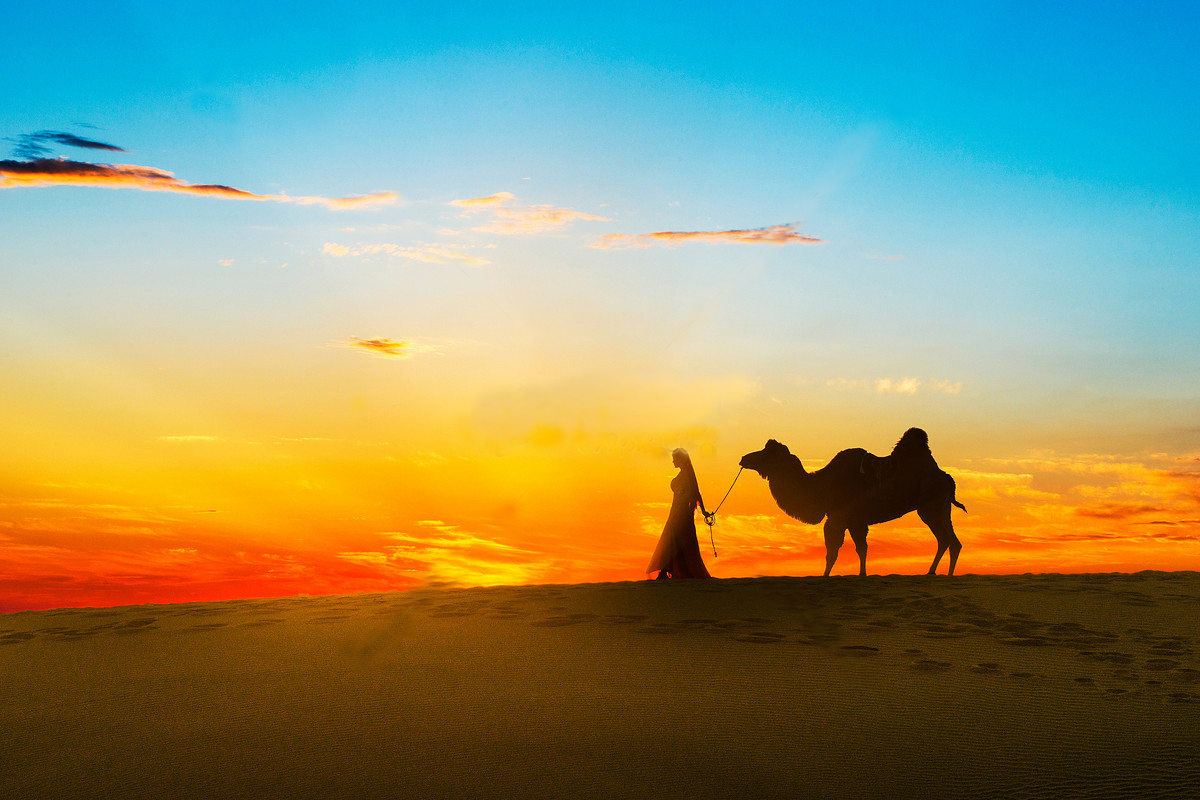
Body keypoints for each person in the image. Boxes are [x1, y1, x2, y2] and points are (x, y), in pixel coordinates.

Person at [646, 448, 713, 579]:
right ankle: (666, 570)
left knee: (678, 540)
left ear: (680, 459)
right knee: (670, 540)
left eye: (674, 458)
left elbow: (695, 493)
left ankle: (666, 571)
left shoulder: (688, 476)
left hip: (683, 513)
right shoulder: (683, 475)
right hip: (675, 511)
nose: (672, 461)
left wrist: (704, 510)